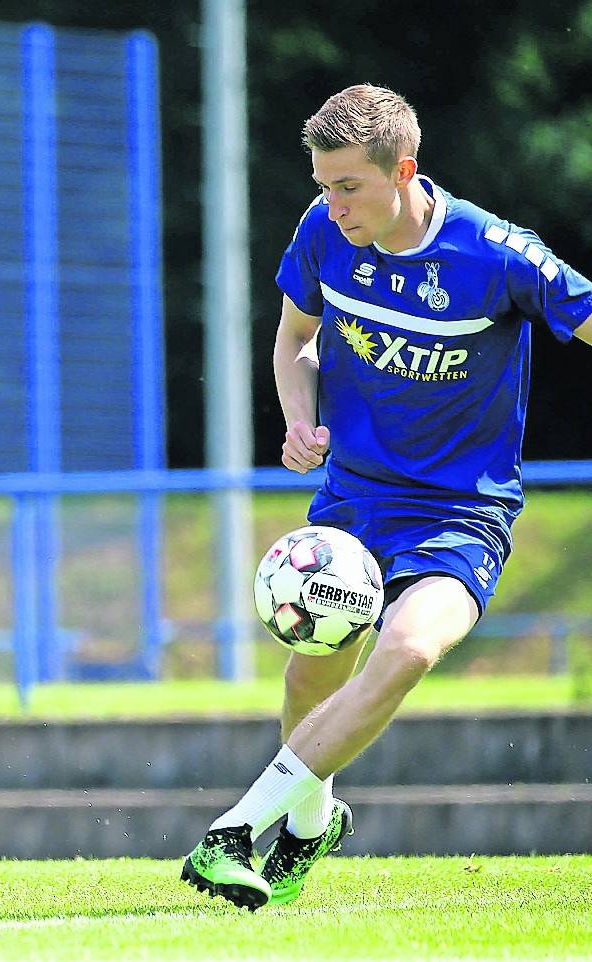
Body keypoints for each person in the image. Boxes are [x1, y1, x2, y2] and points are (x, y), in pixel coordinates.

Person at [180, 84, 592, 910]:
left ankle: (234, 830)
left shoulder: (497, 253)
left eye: (347, 186)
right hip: (355, 508)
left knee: (405, 649)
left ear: (403, 170)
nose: (331, 206)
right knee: (309, 684)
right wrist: (300, 420)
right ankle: (311, 824)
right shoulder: (323, 232)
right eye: (322, 184)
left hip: (459, 515)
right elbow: (296, 337)